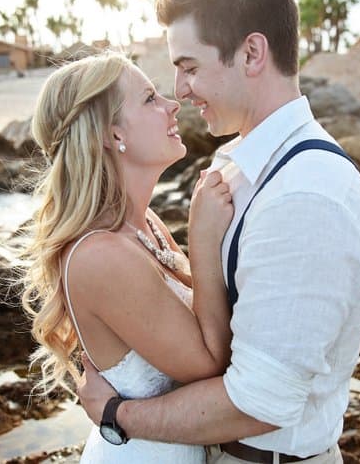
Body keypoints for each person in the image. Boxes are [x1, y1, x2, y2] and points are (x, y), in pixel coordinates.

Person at [76, 0, 360, 463]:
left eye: (191, 67)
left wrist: (117, 415)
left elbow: (260, 401)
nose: (180, 90)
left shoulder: (305, 195)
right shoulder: (239, 166)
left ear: (251, 53)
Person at [20, 52, 236, 462]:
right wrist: (203, 240)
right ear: (109, 132)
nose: (173, 104)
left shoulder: (145, 224)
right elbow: (211, 365)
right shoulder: (100, 255)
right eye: (150, 98)